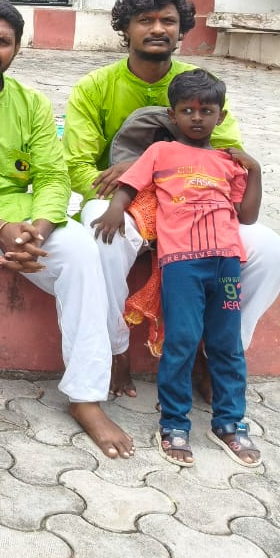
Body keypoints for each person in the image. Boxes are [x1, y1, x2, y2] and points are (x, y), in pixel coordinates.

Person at [0, 0, 133, 458]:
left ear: (16, 49)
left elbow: (53, 178)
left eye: (2, 42)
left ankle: (86, 397)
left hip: (25, 213)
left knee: (81, 252)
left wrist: (36, 229)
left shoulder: (32, 103)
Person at [66, 0, 280, 399]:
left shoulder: (201, 85)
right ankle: (115, 350)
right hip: (124, 204)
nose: (158, 29)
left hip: (199, 205)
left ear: (182, 30)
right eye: (145, 20)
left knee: (269, 250)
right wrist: (133, 176)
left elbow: (228, 154)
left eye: (168, 20)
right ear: (125, 29)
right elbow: (77, 166)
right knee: (100, 235)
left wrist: (158, 164)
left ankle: (217, 352)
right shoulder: (95, 88)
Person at [93, 69, 262, 468]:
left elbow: (248, 216)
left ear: (221, 116)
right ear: (173, 115)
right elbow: (130, 184)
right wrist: (115, 210)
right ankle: (173, 423)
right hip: (182, 263)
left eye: (207, 110)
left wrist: (255, 170)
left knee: (227, 344)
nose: (197, 117)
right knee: (182, 341)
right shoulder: (161, 153)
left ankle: (230, 423)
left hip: (225, 265)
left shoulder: (227, 160)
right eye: (187, 110)